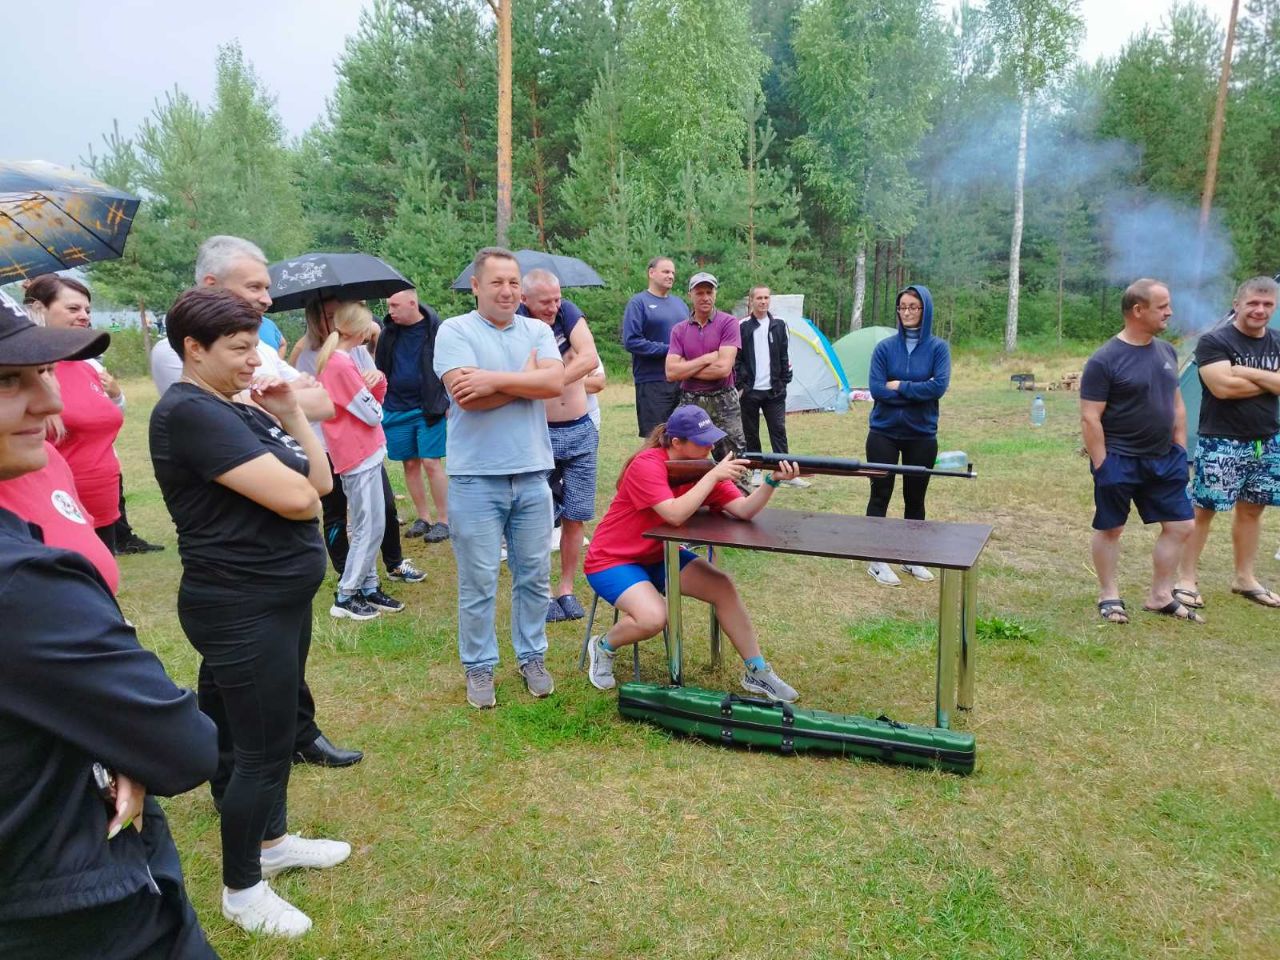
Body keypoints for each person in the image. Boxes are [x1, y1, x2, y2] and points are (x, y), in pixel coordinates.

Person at [0, 296, 220, 959]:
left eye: (43, 375)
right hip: (71, 901)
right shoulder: (23, 584)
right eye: (9, 381)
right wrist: (118, 743)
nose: (49, 404)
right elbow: (184, 745)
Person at [150, 288, 351, 937]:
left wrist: (293, 412)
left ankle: (272, 842)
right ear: (193, 348)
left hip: (277, 599)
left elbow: (321, 484)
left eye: (255, 346)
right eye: (239, 349)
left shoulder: (238, 408)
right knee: (261, 751)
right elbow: (298, 500)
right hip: (241, 604)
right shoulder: (189, 413)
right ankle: (242, 890)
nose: (253, 361)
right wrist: (301, 485)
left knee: (267, 736)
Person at [157, 236, 360, 771]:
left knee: (260, 683)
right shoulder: (188, 373)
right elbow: (297, 493)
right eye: (255, 287)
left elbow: (320, 404)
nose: (268, 298)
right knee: (237, 691)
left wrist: (286, 407)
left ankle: (284, 738)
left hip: (273, 568)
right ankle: (238, 767)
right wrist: (283, 400)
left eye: (267, 287)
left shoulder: (248, 346)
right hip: (240, 574)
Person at [582, 405, 801, 702]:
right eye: (702, 442)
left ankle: (757, 671)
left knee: (722, 587)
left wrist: (772, 482)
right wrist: (712, 478)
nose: (710, 447)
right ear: (676, 443)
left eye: (711, 439)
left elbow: (744, 511)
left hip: (660, 555)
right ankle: (604, 646)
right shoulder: (647, 465)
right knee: (653, 618)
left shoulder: (704, 469)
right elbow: (673, 515)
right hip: (613, 559)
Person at [434, 247, 565, 709]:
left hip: (532, 476)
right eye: (497, 282)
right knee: (478, 581)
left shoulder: (538, 329)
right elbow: (467, 397)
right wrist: (523, 379)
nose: (508, 291)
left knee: (533, 576)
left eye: (513, 282)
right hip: (475, 480)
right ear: (475, 286)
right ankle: (479, 667)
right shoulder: (454, 331)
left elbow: (553, 385)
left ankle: (532, 656)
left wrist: (495, 381)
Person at [1080, 279, 1197, 624]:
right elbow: (1090, 417)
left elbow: (1176, 404)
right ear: (1138, 310)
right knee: (1111, 528)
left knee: (1181, 525)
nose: (1169, 312)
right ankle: (1109, 594)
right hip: (1119, 458)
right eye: (1162, 306)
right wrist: (1103, 465)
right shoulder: (1105, 360)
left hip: (1163, 458)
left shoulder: (1166, 351)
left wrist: (1179, 447)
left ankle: (1161, 595)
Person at [293, 300, 426, 587]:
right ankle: (349, 575)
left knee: (385, 509)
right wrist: (366, 399)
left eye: (337, 315)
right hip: (329, 445)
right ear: (316, 320)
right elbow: (342, 404)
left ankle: (392, 564)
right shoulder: (309, 355)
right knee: (338, 512)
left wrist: (376, 378)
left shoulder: (352, 352)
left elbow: (370, 384)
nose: (334, 321)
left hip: (363, 443)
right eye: (328, 316)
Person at [1175, 276, 1280, 611]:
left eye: (1267, 304)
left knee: (1252, 509)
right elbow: (1223, 388)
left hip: (1267, 440)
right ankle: (1186, 579)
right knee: (1203, 509)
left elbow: (1238, 381)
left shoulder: (1277, 341)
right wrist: (1272, 381)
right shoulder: (1214, 341)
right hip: (1222, 440)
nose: (1259, 310)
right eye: (1253, 303)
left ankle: (1244, 578)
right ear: (1237, 304)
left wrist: (1244, 372)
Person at [516, 268, 601, 622]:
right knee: (538, 518)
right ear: (525, 300)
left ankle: (565, 588)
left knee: (576, 515)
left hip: (581, 429)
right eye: (545, 302)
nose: (553, 307)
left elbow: (589, 357)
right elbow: (521, 376)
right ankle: (540, 591)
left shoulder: (568, 312)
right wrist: (555, 378)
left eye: (557, 299)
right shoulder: (517, 326)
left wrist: (550, 381)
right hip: (540, 433)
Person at [21, 275, 124, 552]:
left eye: (87, 310)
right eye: (73, 308)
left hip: (103, 502)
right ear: (39, 309)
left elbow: (104, 416)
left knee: (105, 583)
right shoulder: (23, 372)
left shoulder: (88, 363)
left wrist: (116, 396)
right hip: (55, 505)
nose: (84, 316)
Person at [315, 302, 404, 620]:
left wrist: (375, 383)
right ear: (359, 330)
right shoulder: (340, 365)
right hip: (357, 452)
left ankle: (369, 587)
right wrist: (378, 384)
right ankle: (346, 594)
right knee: (369, 526)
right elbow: (372, 413)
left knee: (373, 523)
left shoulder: (342, 360)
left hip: (361, 451)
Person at [864, 285, 952, 586]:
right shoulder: (885, 348)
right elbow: (876, 389)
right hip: (883, 432)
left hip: (922, 434)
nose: (907, 313)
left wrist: (899, 386)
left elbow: (938, 387)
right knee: (880, 493)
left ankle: (912, 556)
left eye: (913, 307)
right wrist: (917, 391)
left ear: (924, 310)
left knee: (916, 497)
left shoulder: (939, 348)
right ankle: (876, 559)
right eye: (902, 307)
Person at [377, 288, 450, 543]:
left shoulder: (437, 329)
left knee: (431, 462)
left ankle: (444, 520)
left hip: (428, 407)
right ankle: (423, 518)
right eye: (389, 305)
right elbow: (381, 368)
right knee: (409, 463)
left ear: (412, 303)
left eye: (395, 305)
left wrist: (447, 399)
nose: (390, 311)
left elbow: (449, 365)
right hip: (396, 407)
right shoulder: (388, 333)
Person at [666, 272, 748, 467]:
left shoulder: (728, 323)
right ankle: (692, 496)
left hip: (724, 400)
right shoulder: (679, 330)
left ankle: (738, 496)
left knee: (732, 456)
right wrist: (706, 358)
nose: (705, 297)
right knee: (686, 456)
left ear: (715, 294)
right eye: (699, 292)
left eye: (709, 292)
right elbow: (671, 373)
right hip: (690, 400)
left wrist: (685, 367)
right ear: (690, 295)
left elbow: (722, 369)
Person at [735, 285, 808, 489]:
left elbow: (785, 354)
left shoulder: (779, 324)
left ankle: (786, 472)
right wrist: (741, 385)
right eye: (759, 298)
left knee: (778, 430)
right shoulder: (742, 326)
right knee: (751, 431)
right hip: (750, 391)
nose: (763, 301)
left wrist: (783, 381)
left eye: (766, 297)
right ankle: (756, 469)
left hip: (774, 391)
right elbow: (736, 358)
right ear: (751, 300)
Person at [623, 255, 687, 437]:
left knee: (681, 436)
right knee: (657, 437)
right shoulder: (638, 303)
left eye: (673, 272)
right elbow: (632, 341)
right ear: (651, 273)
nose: (671, 276)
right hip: (652, 381)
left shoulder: (680, 304)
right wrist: (670, 350)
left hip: (681, 380)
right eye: (666, 271)